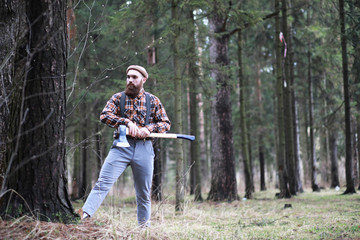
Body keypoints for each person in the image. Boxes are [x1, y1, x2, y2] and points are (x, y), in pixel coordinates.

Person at [77, 65, 171, 227]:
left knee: (143, 194)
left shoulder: (153, 100)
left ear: (143, 79)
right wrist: (126, 122)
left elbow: (165, 124)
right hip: (121, 147)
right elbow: (104, 116)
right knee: (102, 183)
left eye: (134, 77)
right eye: (128, 77)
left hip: (144, 148)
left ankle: (144, 230)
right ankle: (83, 217)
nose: (130, 80)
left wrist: (148, 129)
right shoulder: (117, 98)